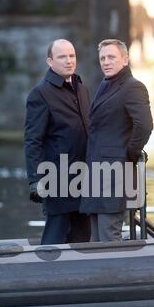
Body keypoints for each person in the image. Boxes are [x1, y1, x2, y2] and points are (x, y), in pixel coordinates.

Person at [80, 39, 153, 242]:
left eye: (111, 57)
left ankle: (116, 273)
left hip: (115, 174)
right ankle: (97, 273)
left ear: (125, 59)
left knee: (108, 237)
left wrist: (129, 153)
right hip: (97, 173)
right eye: (102, 58)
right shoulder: (106, 85)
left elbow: (145, 125)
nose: (106, 62)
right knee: (95, 238)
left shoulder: (133, 87)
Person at [24, 39, 90, 245]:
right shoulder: (40, 93)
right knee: (56, 235)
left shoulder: (81, 88)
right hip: (57, 178)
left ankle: (82, 274)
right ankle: (43, 274)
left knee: (82, 235)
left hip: (84, 176)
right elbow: (32, 140)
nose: (69, 61)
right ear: (50, 62)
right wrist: (36, 180)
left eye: (72, 56)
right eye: (62, 57)